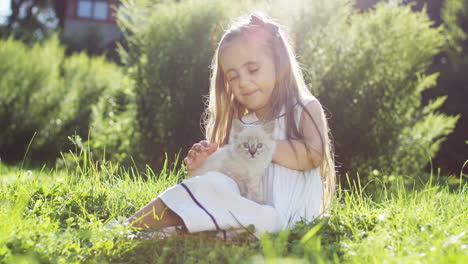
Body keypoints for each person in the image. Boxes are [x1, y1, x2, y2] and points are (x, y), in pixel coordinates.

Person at [128, 12, 336, 240]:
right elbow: (233, 181)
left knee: (236, 207)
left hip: (289, 220)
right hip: (250, 215)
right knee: (212, 184)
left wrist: (262, 146)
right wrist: (200, 168)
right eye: (233, 76)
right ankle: (130, 230)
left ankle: (130, 230)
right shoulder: (244, 125)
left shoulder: (303, 107)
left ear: (279, 64)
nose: (243, 82)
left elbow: (313, 155)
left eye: (253, 70)